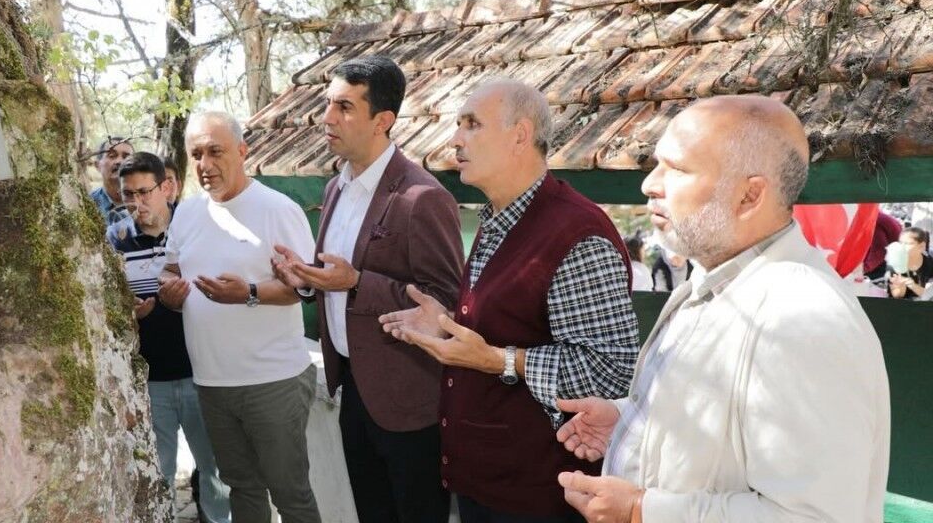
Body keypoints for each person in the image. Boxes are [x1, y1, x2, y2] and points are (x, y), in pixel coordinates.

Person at [554, 95, 890, 523]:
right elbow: (725, 423)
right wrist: (630, 421)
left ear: (749, 196)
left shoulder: (802, 319)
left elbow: (813, 517)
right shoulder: (713, 282)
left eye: (677, 169)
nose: (650, 184)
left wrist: (641, 510)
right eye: (657, 164)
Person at [379, 79, 638, 523]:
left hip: (541, 495)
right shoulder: (500, 217)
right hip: (488, 484)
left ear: (520, 135)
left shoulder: (576, 233)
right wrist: (448, 323)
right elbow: (510, 325)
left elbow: (610, 370)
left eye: (472, 125)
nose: (455, 139)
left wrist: (497, 360)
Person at [272, 56, 463, 523]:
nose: (327, 118)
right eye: (327, 104)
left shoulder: (423, 197)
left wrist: (357, 284)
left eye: (344, 107)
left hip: (409, 400)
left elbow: (447, 303)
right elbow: (335, 279)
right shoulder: (336, 188)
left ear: (383, 120)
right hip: (353, 392)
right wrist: (306, 282)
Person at [157, 111, 321, 523]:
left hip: (272, 380)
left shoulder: (277, 209)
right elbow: (171, 270)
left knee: (290, 495)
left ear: (243, 151)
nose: (205, 164)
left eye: (216, 151)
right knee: (242, 489)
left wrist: (247, 293)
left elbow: (307, 288)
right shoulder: (187, 213)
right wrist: (170, 292)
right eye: (196, 154)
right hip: (211, 382)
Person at [106, 152, 230, 523]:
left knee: (216, 471)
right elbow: (107, 309)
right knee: (157, 473)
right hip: (149, 380)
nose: (137, 203)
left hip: (201, 373)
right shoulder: (114, 240)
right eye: (128, 194)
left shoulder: (196, 231)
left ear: (168, 188)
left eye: (144, 192)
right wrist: (129, 315)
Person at [89, 135, 134, 225]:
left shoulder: (145, 202)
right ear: (97, 165)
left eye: (126, 157)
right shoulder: (89, 204)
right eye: (112, 156)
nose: (119, 161)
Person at [888, 226, 933, 299]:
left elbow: (929, 294)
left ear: (921, 246)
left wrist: (913, 285)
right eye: (901, 243)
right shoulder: (895, 264)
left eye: (907, 243)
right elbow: (896, 296)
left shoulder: (929, 263)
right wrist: (900, 288)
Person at [864, 211, 903, 280]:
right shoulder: (878, 215)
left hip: (889, 265)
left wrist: (864, 268)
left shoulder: (874, 223)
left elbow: (879, 251)